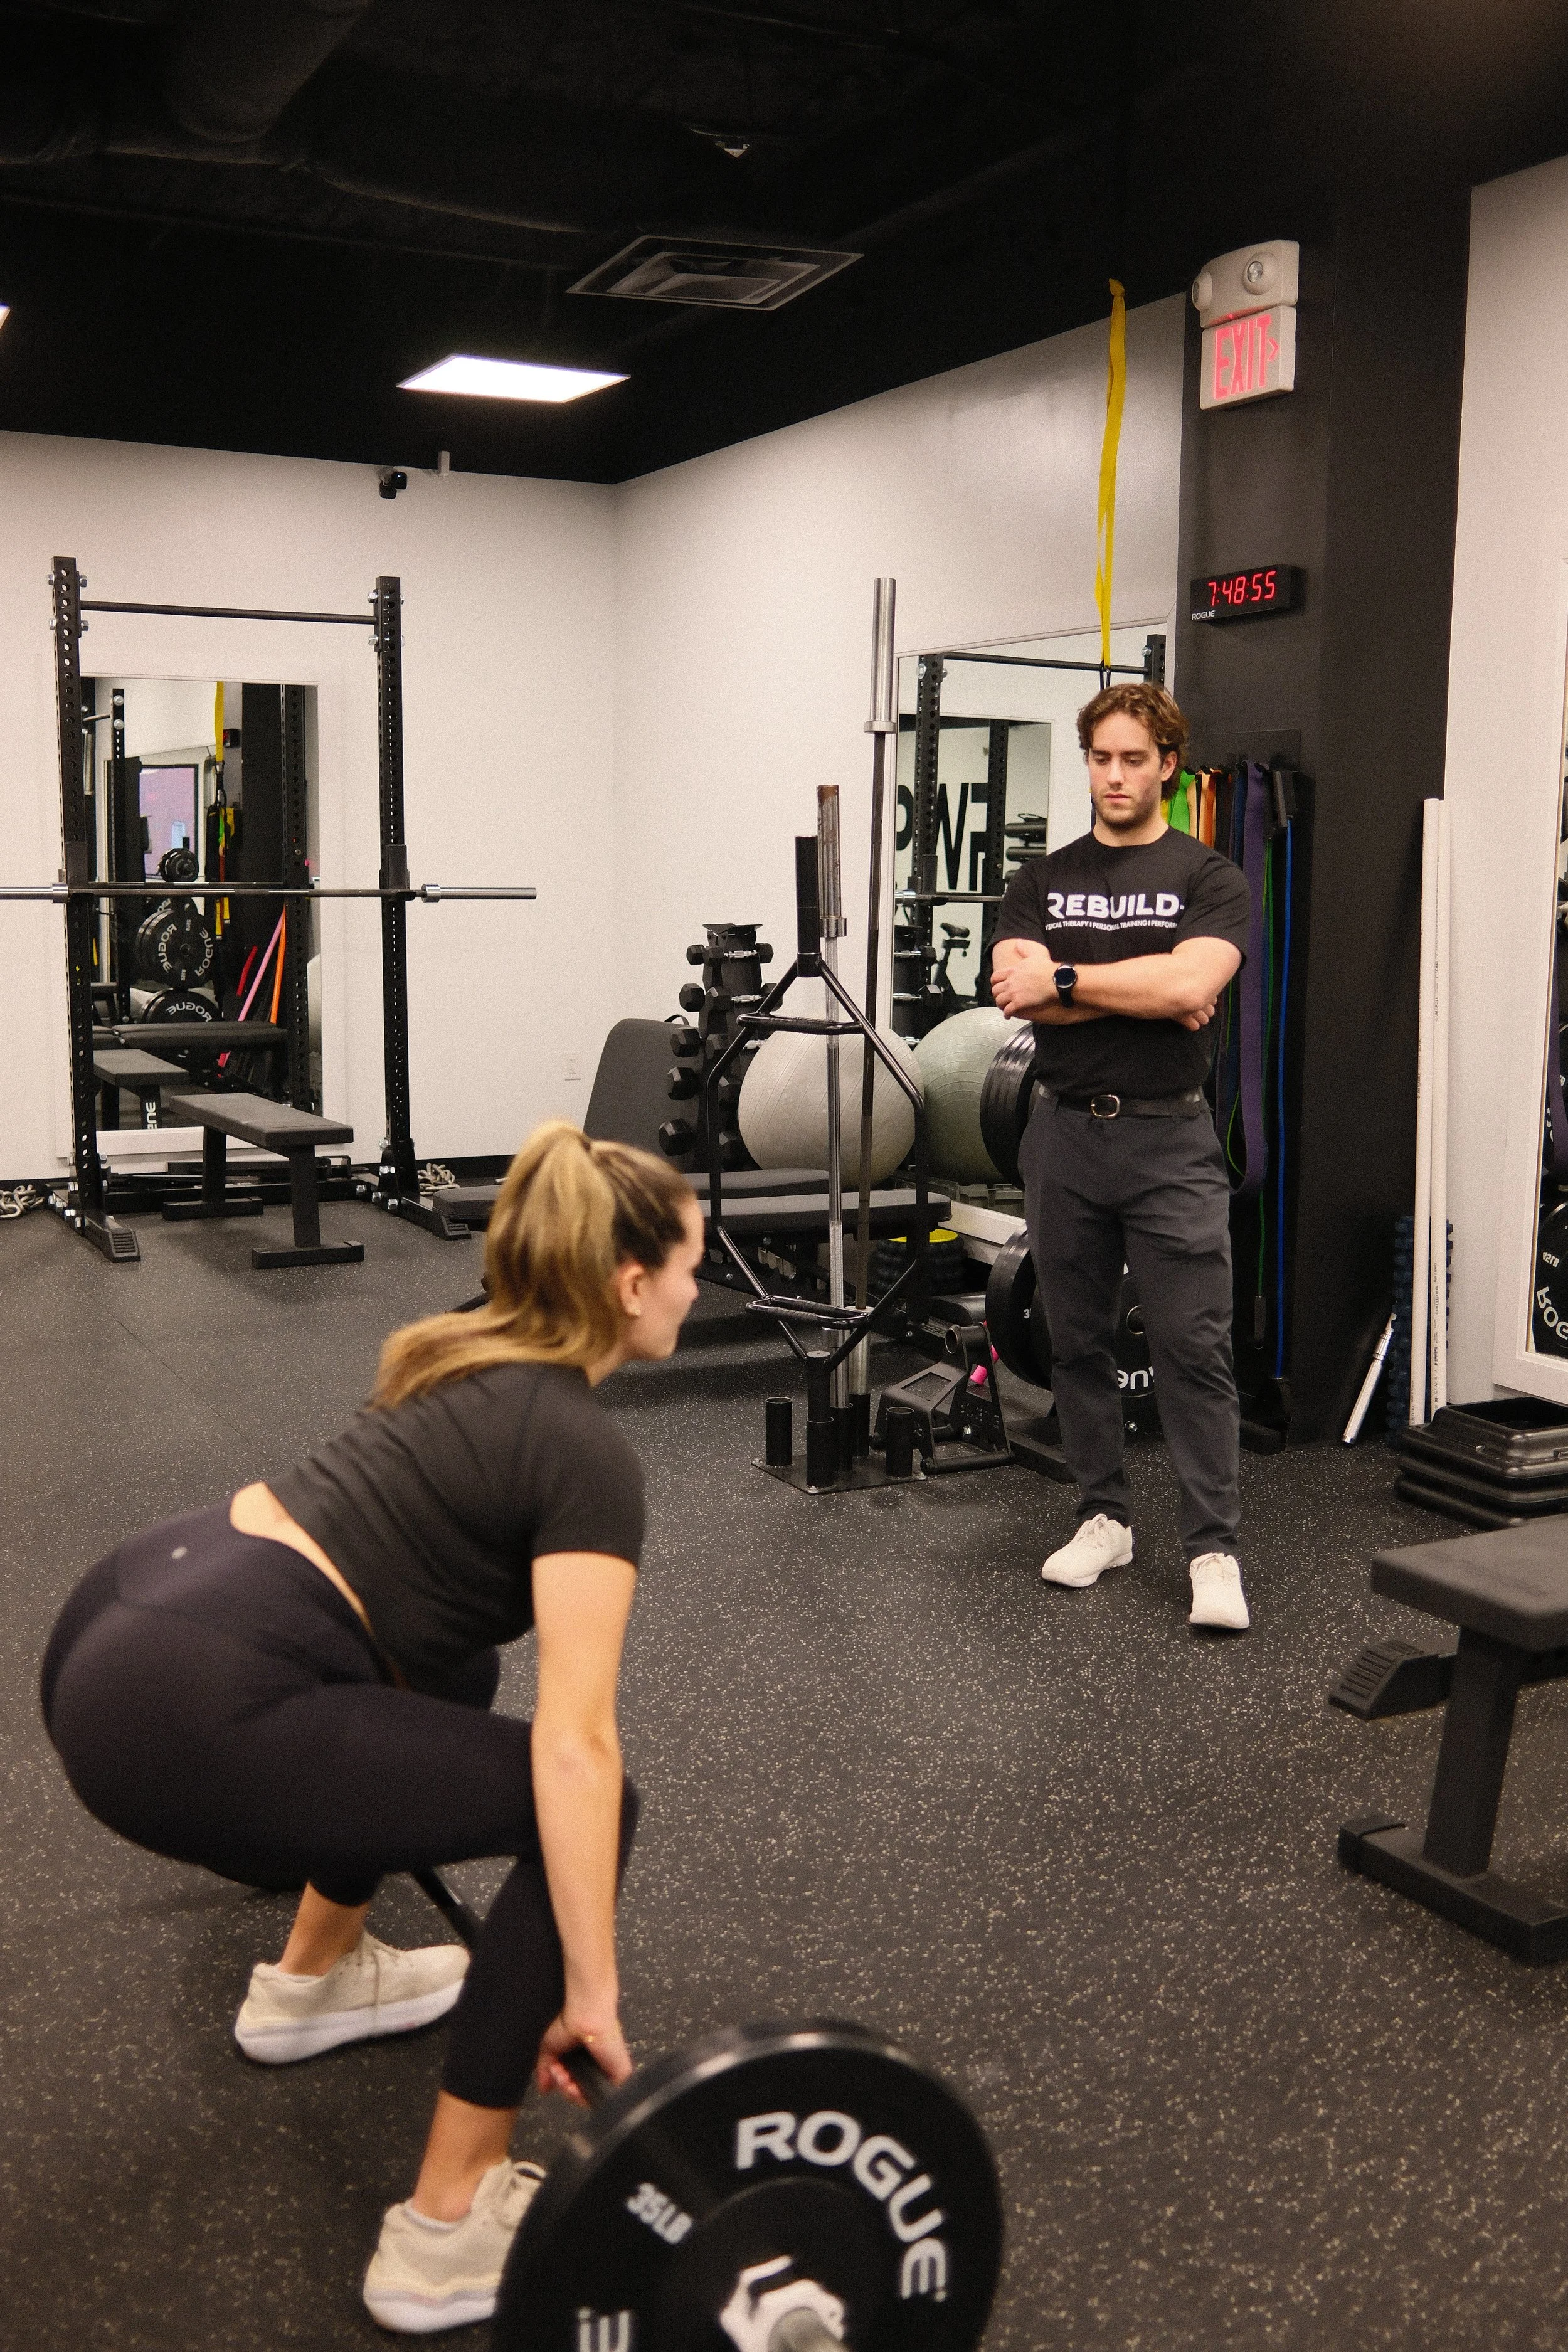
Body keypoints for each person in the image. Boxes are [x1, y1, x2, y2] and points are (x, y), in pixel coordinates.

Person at [40, 1123, 704, 2332]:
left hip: (128, 1623)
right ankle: (447, 2225)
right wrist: (589, 1992)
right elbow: (578, 1747)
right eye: (691, 1266)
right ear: (627, 1284)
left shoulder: (459, 1348)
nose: (696, 1289)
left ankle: (314, 1978)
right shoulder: (586, 1451)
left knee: (450, 1671)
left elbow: (435, 1625)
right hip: (197, 1707)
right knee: (596, 1805)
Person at [990, 681, 1253, 1632]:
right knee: (1076, 1336)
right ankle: (1103, 1513)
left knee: (1192, 1344)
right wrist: (1135, 987)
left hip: (1171, 1135)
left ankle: (1212, 1546)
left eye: (1134, 758)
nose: (1114, 775)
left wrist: (1067, 974)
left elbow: (1194, 980)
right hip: (1062, 1131)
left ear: (1168, 765)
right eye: (1101, 757)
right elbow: (1017, 993)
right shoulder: (1040, 879)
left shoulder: (1211, 878)